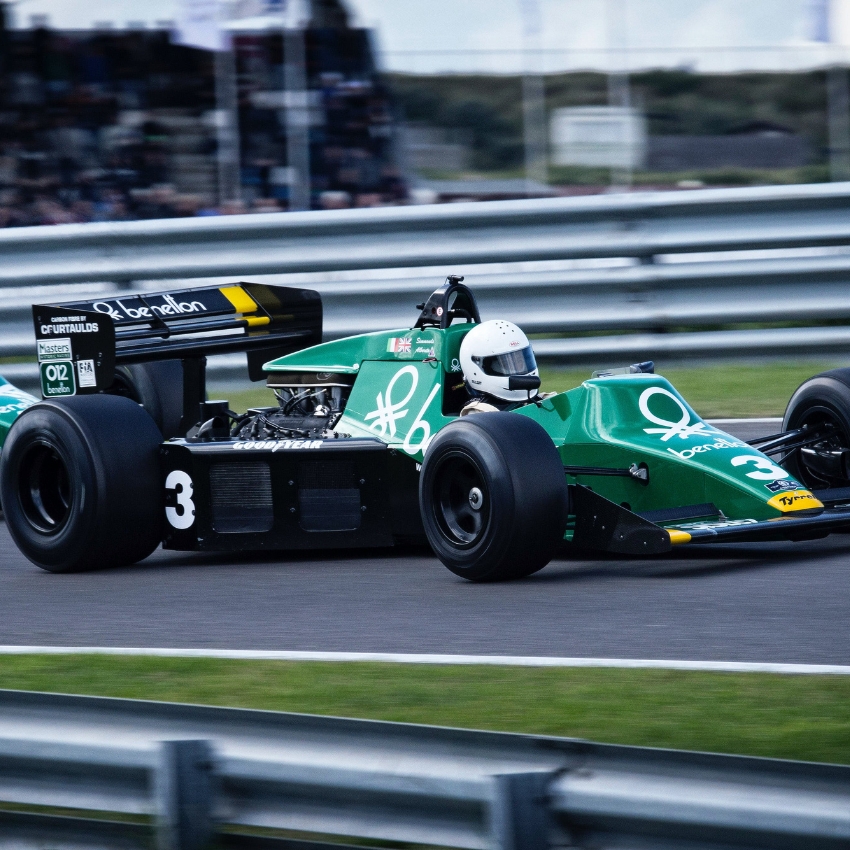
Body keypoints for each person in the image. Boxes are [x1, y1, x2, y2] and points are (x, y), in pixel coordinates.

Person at [458, 320, 553, 416]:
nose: (518, 369)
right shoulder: (480, 413)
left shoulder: (546, 401)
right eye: (505, 364)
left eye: (520, 360)